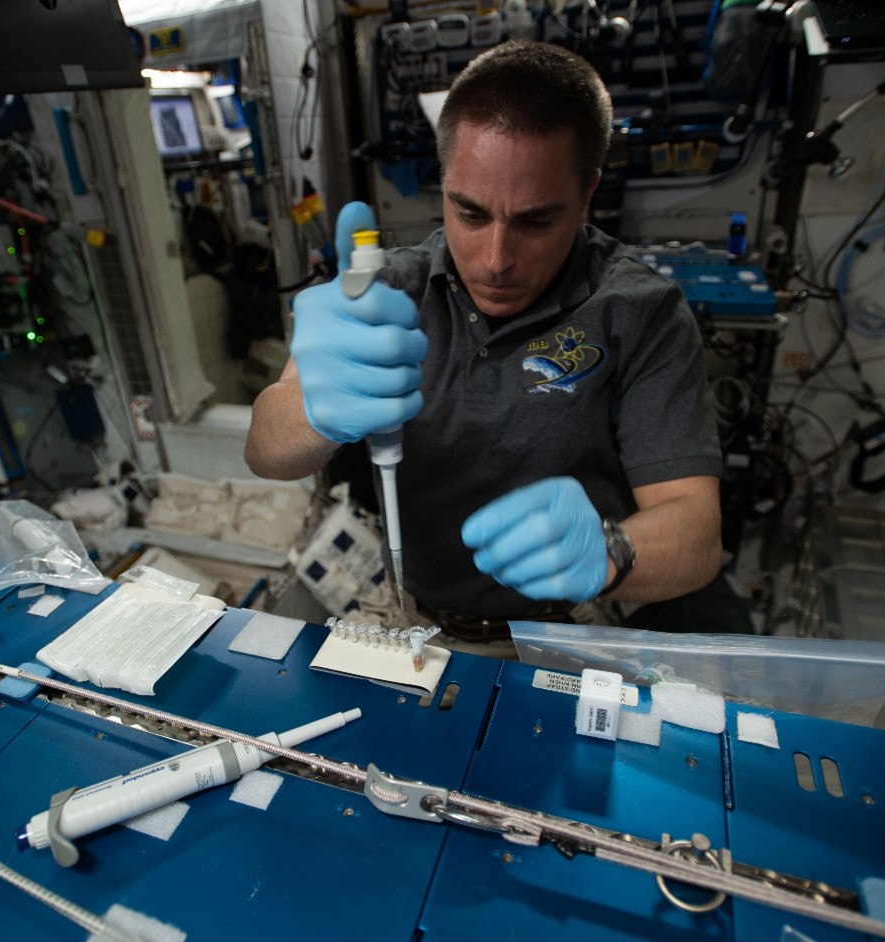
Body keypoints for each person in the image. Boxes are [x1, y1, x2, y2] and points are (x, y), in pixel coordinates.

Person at [246, 41, 733, 650]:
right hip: (413, 625)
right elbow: (267, 449)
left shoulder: (638, 313)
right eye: (470, 214)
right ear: (445, 183)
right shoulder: (383, 290)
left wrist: (612, 551)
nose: (496, 259)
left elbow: (696, 530)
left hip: (568, 637)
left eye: (534, 221)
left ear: (587, 196)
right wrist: (317, 407)